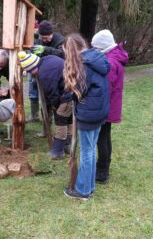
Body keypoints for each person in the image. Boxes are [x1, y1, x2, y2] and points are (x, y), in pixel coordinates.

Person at [62, 33, 110, 200]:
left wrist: (71, 91)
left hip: (89, 114)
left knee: (87, 152)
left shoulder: (84, 65)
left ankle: (82, 191)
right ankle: (89, 186)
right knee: (90, 149)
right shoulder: (96, 58)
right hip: (99, 112)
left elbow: (80, 90)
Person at [18, 51, 72, 160]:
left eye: (30, 71)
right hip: (75, 89)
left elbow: (53, 93)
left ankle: (58, 152)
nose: (31, 74)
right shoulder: (48, 58)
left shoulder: (45, 74)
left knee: (61, 120)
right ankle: (67, 146)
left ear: (32, 67)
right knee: (69, 119)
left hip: (68, 94)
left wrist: (56, 106)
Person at [91, 30, 129, 184]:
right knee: (105, 137)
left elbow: (105, 87)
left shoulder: (110, 63)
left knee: (102, 139)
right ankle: (103, 167)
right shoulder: (112, 56)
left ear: (102, 47)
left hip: (106, 106)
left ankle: (102, 172)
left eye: (96, 48)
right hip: (110, 105)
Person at [30, 20, 66, 136]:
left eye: (46, 38)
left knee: (59, 105)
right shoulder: (38, 39)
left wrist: (45, 49)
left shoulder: (61, 41)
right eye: (42, 38)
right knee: (45, 104)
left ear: (52, 33)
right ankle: (46, 130)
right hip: (44, 76)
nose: (44, 40)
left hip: (59, 78)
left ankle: (62, 132)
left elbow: (64, 55)